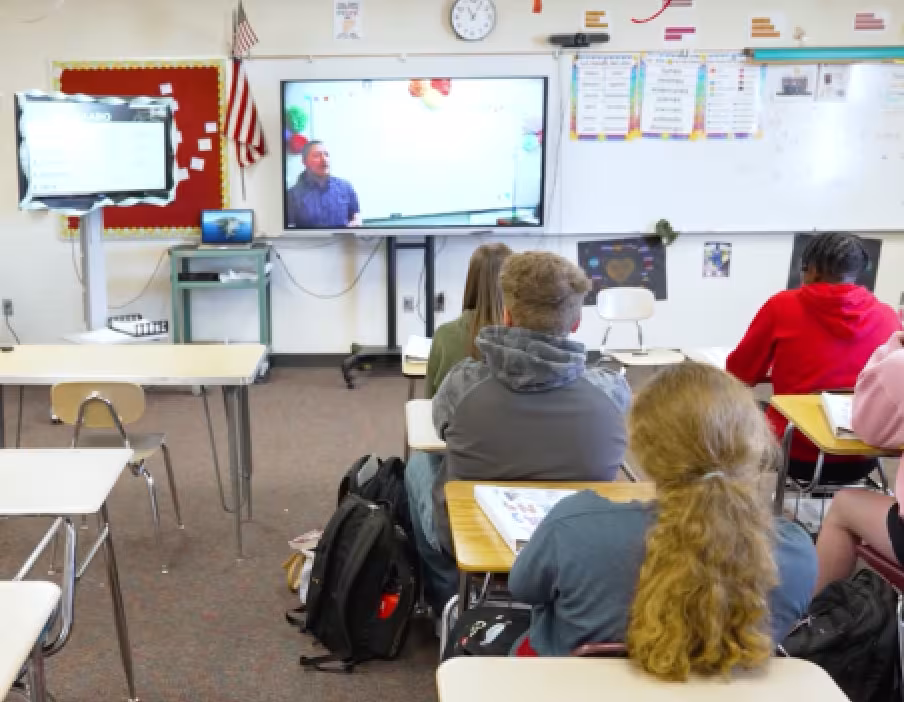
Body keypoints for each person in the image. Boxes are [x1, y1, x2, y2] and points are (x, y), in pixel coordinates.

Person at [509, 363, 818, 679]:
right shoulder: (795, 552)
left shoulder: (574, 527)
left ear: (643, 448)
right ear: (754, 443)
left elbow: (523, 588)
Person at [406, 251, 631, 616]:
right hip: (580, 541)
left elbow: (443, 430)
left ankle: (445, 598)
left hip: (474, 540)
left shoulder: (462, 384)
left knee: (419, 467)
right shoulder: (611, 392)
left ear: (507, 315)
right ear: (575, 324)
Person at [726, 232, 900, 483]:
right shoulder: (887, 316)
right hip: (863, 455)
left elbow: (740, 374)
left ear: (813, 269)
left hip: (794, 453)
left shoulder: (781, 306)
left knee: (742, 408)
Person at [814, 331, 904, 593]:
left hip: (809, 460)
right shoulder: (879, 311)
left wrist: (893, 345)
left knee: (843, 505)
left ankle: (815, 625)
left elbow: (868, 428)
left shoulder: (900, 364)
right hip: (859, 469)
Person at [425, 242, 513, 398]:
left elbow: (430, 399)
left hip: (453, 420)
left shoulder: (444, 335)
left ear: (471, 280)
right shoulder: (526, 339)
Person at [286, 140, 361, 229]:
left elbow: (356, 216)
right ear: (304, 162)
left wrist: (356, 223)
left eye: (326, 155)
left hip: (342, 241)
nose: (324, 159)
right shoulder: (292, 195)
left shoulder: (345, 187)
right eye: (317, 155)